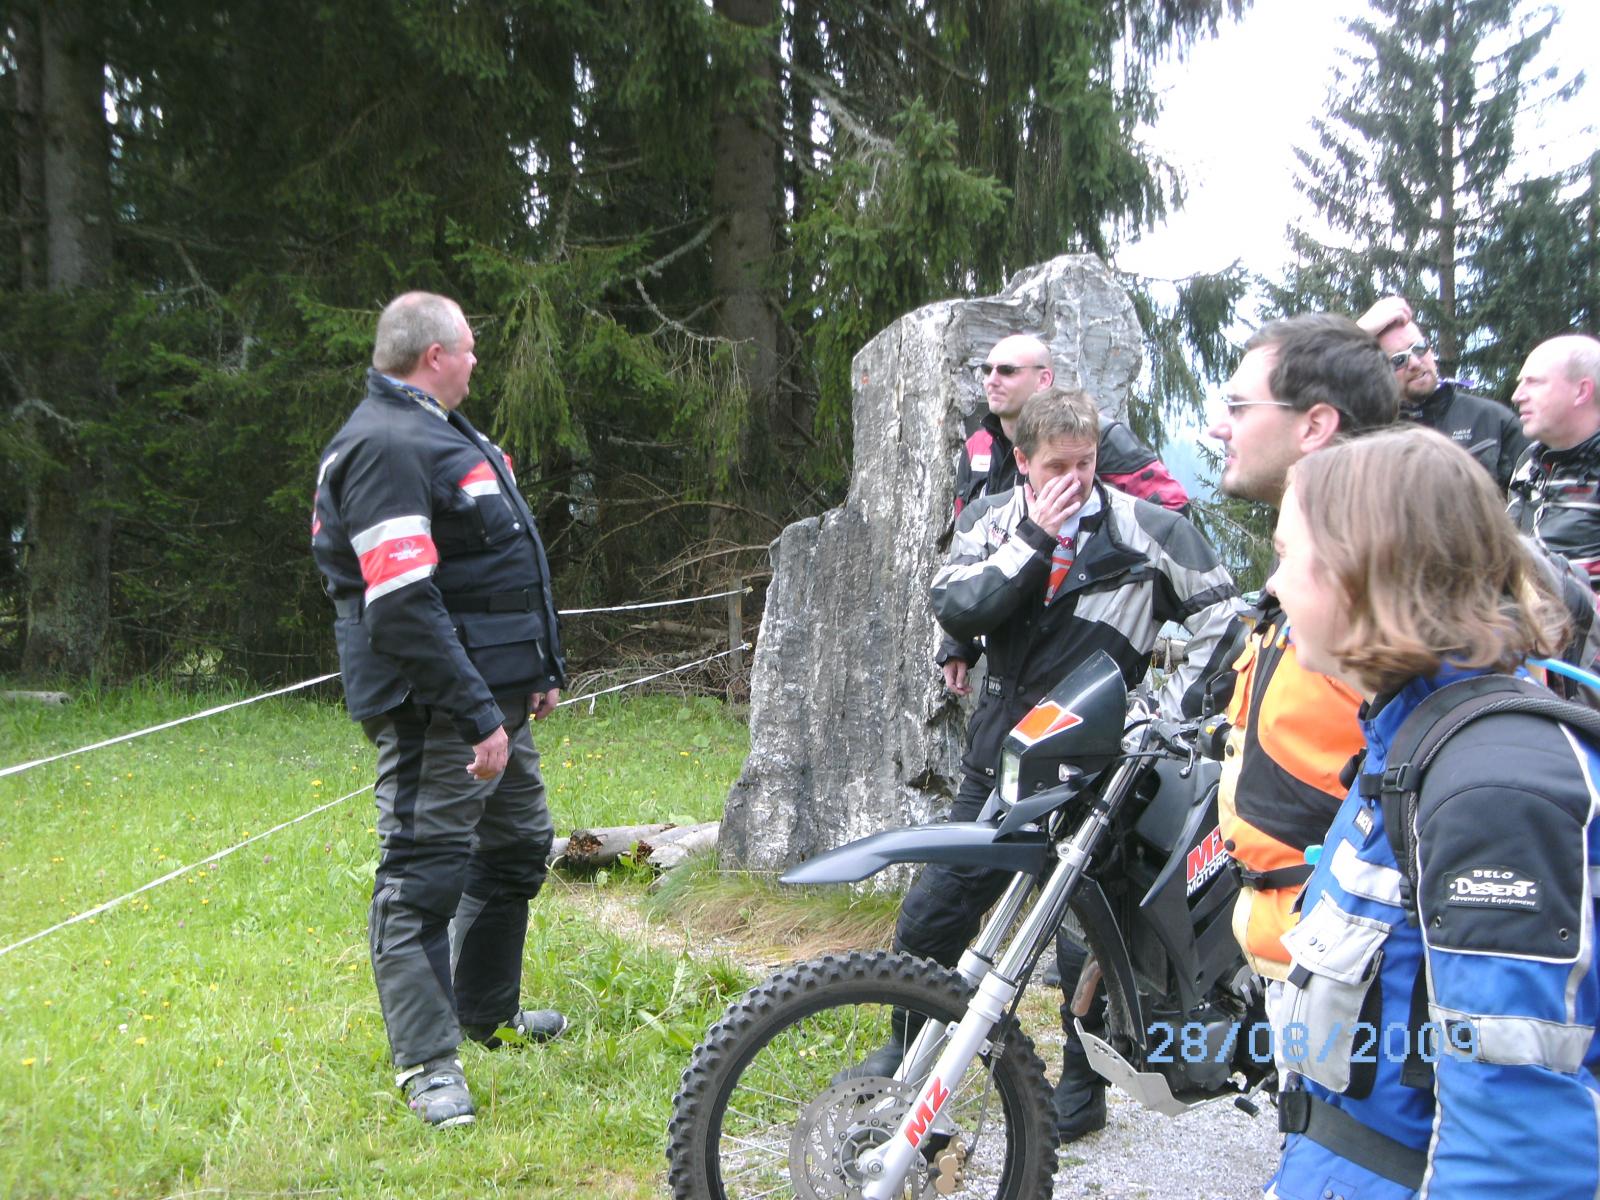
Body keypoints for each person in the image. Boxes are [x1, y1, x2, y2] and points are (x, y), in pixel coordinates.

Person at [879, 385, 1240, 1141]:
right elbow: (960, 607)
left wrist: (1161, 711)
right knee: (931, 916)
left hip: (1101, 772)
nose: (1074, 480)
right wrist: (1035, 538)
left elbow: (1226, 619)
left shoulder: (1149, 529)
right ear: (1023, 461)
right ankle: (908, 1063)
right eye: (1057, 466)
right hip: (1001, 762)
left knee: (1086, 942)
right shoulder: (988, 521)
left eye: (1086, 463)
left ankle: (1081, 1088)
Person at [1263, 426, 1600, 1198]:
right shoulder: (1411, 736)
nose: (1273, 587)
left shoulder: (1493, 794)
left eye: (1287, 555)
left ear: (1361, 569)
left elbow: (1515, 1152)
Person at [312, 292, 568, 1129]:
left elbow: (494, 565)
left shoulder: (439, 431)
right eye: (469, 348)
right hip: (437, 708)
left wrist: (537, 671)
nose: (475, 361)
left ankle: (485, 1014)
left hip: (493, 695)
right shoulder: (385, 443)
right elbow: (400, 605)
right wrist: (475, 714)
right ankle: (427, 1066)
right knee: (420, 881)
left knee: (518, 847)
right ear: (434, 356)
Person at [1204, 314, 1401, 981]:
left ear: (1315, 425)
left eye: (1238, 407)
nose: (1220, 427)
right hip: (1301, 953)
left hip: (1353, 972)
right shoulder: (1320, 561)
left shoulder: (1378, 581)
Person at [943, 332, 1191, 698]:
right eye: (987, 369)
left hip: (1081, 648)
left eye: (1007, 370)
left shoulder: (1095, 437)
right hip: (1004, 643)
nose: (992, 380)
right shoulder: (978, 447)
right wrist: (958, 643)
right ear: (1023, 459)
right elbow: (966, 552)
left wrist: (1110, 580)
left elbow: (1172, 509)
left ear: (1044, 378)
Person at [1355, 294, 1527, 491]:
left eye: (1419, 348)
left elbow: (1537, 497)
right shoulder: (1369, 434)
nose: (1415, 363)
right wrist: (1356, 334)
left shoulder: (1492, 419)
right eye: (1398, 360)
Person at [1506, 333, 1600, 590]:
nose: (1517, 395)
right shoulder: (1529, 464)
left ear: (1581, 391)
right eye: (1520, 383)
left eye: (1533, 382)